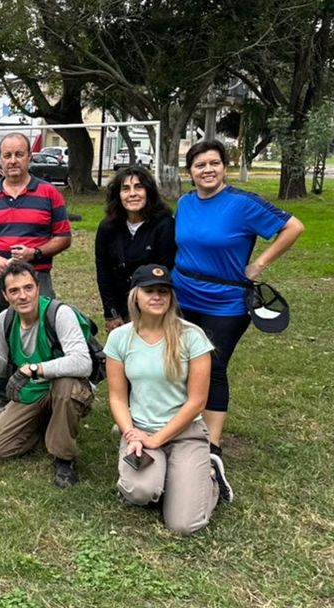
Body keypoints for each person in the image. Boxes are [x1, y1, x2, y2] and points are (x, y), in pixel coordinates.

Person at [174, 138, 304, 496]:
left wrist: (259, 263)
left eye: (214, 163)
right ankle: (181, 427)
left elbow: (293, 226)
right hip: (182, 295)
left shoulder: (242, 204)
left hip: (226, 301)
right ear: (190, 172)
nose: (207, 170)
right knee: (180, 362)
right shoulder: (184, 203)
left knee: (211, 367)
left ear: (224, 167)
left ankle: (211, 446)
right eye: (199, 165)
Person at [107, 265, 220, 534]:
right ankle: (169, 478)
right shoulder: (119, 338)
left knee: (184, 525)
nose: (157, 297)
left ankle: (211, 478)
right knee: (139, 492)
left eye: (163, 291)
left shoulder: (192, 336)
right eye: (149, 291)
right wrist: (131, 434)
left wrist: (158, 440)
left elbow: (197, 401)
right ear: (136, 296)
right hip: (141, 430)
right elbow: (118, 398)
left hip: (185, 433)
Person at [0, 131, 71, 406]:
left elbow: (64, 237)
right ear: (0, 160)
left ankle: (40, 397)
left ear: (29, 157)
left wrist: (35, 252)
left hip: (37, 276)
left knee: (42, 332)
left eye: (19, 154)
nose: (13, 161)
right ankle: (5, 401)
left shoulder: (49, 193)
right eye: (7, 155)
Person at [0, 261, 93, 488]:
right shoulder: (5, 320)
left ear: (38, 288)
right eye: (14, 291)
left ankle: (64, 460)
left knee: (65, 385)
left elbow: (83, 362)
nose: (23, 296)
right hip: (33, 393)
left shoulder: (59, 313)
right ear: (6, 296)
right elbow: (4, 369)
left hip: (66, 388)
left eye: (28, 288)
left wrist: (35, 368)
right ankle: (46, 427)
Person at [94, 165, 176, 332]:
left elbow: (165, 272)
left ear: (148, 192)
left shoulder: (164, 225)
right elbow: (104, 272)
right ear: (118, 194)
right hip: (120, 306)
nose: (132, 194)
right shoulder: (107, 227)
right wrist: (111, 313)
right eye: (125, 189)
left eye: (139, 187)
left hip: (154, 306)